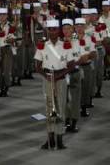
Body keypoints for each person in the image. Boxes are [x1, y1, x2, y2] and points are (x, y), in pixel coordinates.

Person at [34, 19, 75, 150]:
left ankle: (60, 138)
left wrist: (59, 75)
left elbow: (72, 64)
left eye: (55, 29)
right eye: (50, 30)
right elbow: (37, 66)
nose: (52, 32)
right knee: (49, 108)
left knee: (61, 108)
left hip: (61, 78)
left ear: (58, 31)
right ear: (47, 31)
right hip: (48, 78)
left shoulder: (65, 45)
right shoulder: (42, 45)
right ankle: (50, 139)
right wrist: (46, 76)